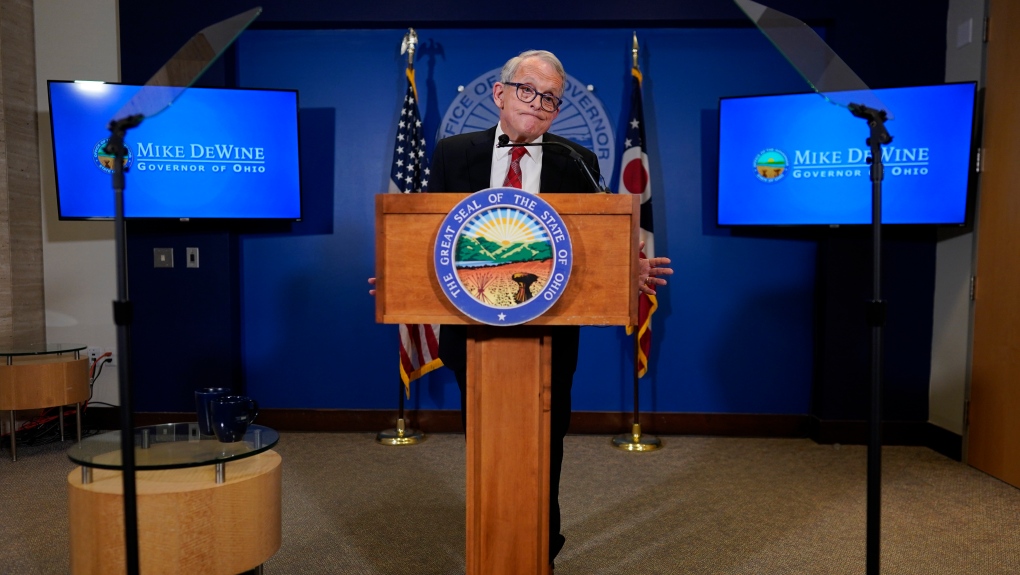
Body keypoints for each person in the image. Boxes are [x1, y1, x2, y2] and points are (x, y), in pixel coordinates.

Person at [424, 49, 673, 570]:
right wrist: (407, 269)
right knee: (486, 444)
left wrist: (629, 270)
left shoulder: (574, 159)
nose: (539, 105)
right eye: (528, 91)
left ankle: (542, 549)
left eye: (551, 100)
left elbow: (599, 241)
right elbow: (431, 234)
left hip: (549, 334)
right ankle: (490, 543)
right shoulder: (453, 152)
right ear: (500, 93)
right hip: (473, 331)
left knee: (545, 445)